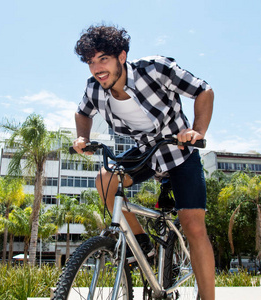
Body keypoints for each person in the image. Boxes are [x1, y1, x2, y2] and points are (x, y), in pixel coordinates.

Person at [72, 25, 215, 300]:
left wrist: (197, 131)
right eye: (91, 62)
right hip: (146, 151)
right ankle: (142, 243)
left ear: (121, 57)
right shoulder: (94, 89)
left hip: (178, 150)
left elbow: (204, 90)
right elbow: (82, 113)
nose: (97, 68)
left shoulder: (156, 69)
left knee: (193, 225)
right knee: (105, 179)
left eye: (103, 59)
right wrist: (82, 136)